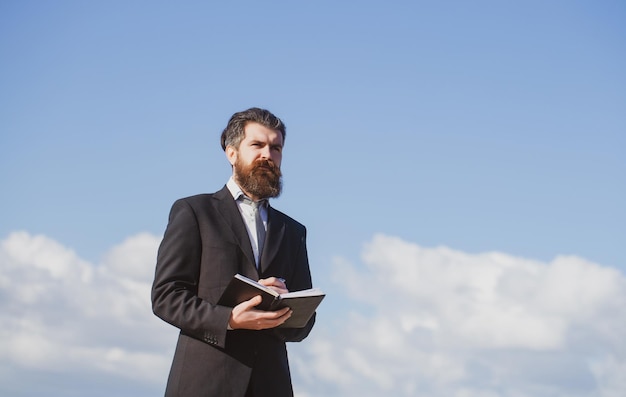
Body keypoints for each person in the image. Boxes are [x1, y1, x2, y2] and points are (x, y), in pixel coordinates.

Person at [151, 107, 317, 397]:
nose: (268, 154)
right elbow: (166, 296)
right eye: (257, 145)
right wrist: (228, 319)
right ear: (231, 152)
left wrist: (282, 305)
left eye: (275, 147)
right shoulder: (194, 212)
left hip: (271, 384)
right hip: (204, 383)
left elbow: (304, 324)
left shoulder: (293, 231)